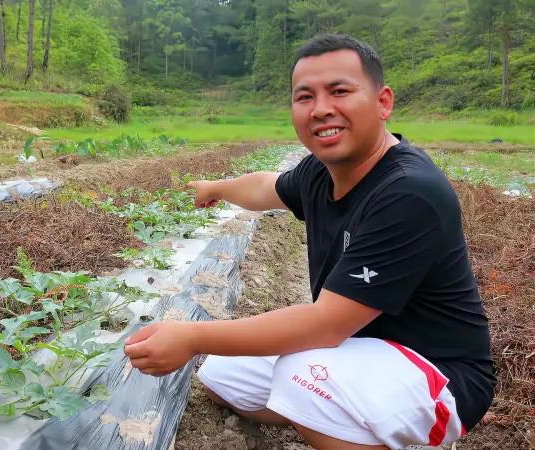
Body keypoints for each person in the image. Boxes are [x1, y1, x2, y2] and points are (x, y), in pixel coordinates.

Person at [122, 34, 497, 449]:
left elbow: (326, 324)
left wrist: (191, 336)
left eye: (340, 91)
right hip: (361, 347)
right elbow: (267, 187)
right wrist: (216, 186)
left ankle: (385, 429)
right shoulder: (322, 171)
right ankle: (348, 419)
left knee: (300, 375)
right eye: (305, 97)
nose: (321, 109)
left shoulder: (408, 192)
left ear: (383, 102)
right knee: (222, 378)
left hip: (438, 374)